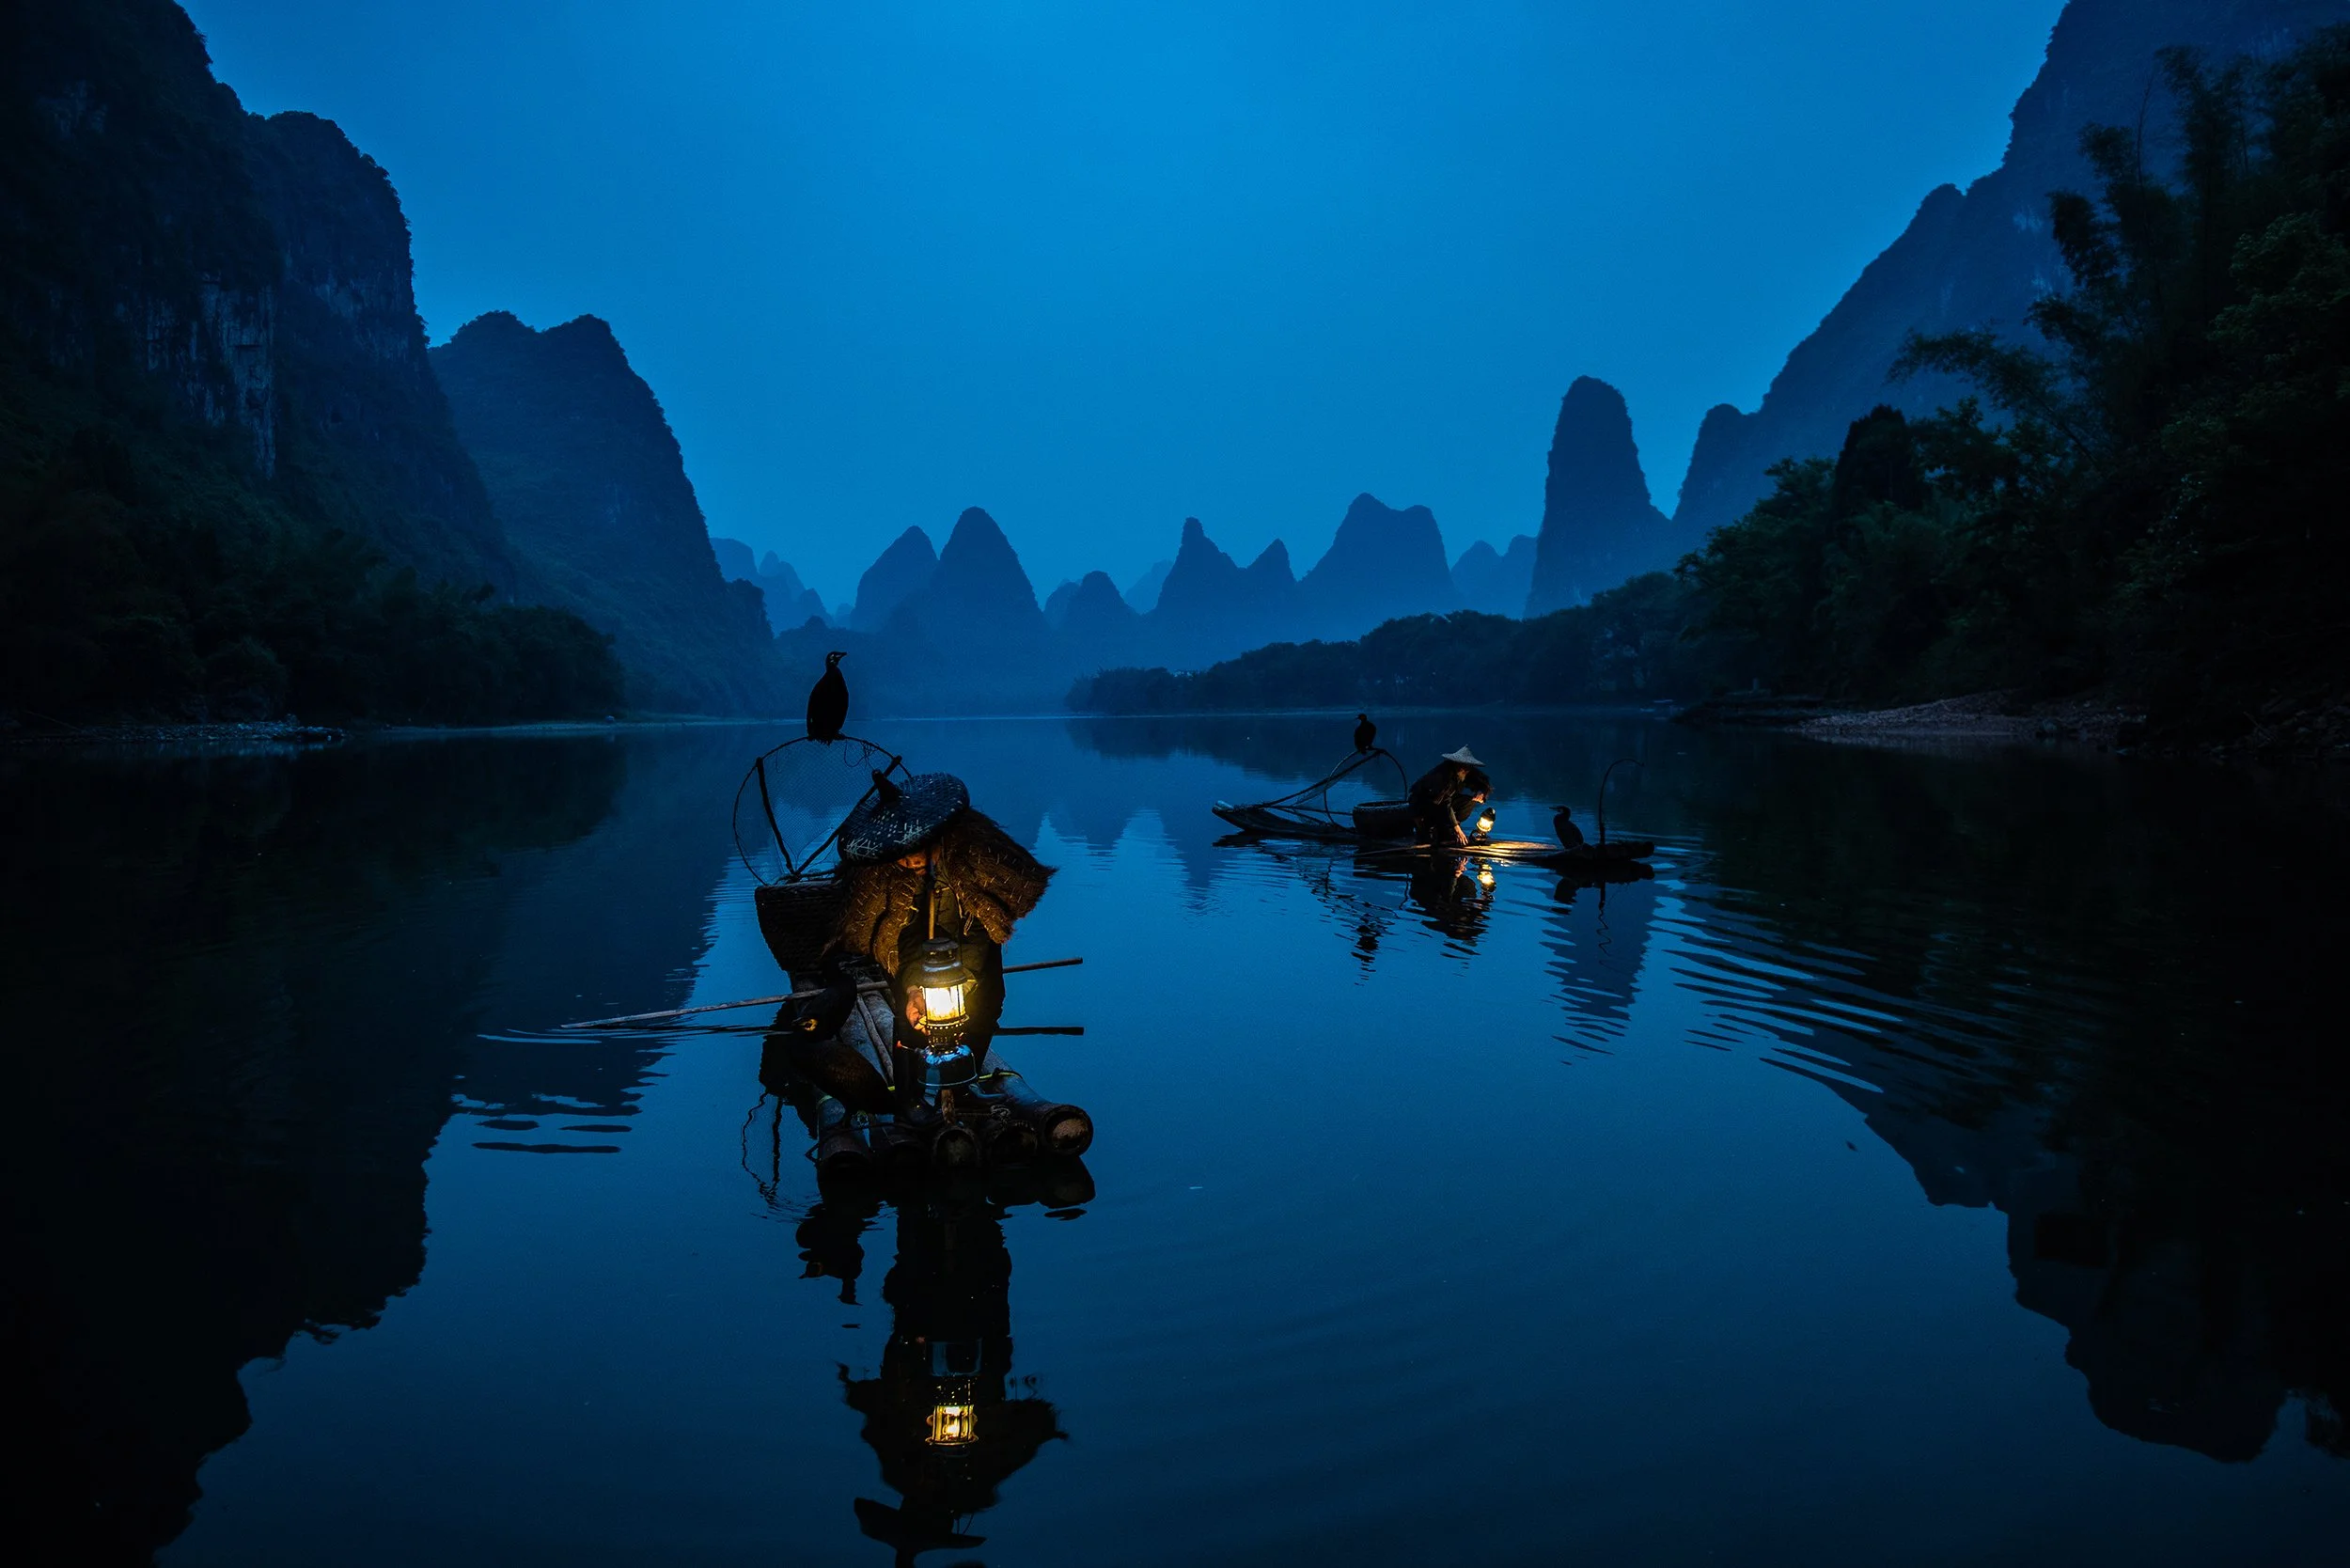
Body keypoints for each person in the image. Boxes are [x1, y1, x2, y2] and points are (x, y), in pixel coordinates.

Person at [826, 772, 1053, 1077]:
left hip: (974, 938)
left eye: (915, 851)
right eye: (901, 855)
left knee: (984, 1006)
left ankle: (964, 1079)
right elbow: (898, 938)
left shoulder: (973, 855)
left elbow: (981, 929)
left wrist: (964, 982)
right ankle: (913, 1095)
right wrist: (914, 987)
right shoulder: (885, 880)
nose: (908, 861)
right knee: (912, 1019)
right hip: (914, 952)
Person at [1407, 746, 1483, 848]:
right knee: (1430, 828)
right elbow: (1445, 803)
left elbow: (1481, 784)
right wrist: (1457, 829)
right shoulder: (1442, 776)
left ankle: (1449, 827)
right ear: (1456, 764)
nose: (1466, 769)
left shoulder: (1466, 772)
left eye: (1468, 766)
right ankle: (1438, 828)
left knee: (1470, 801)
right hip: (1424, 804)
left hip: (1441, 804)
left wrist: (1481, 792)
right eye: (1463, 765)